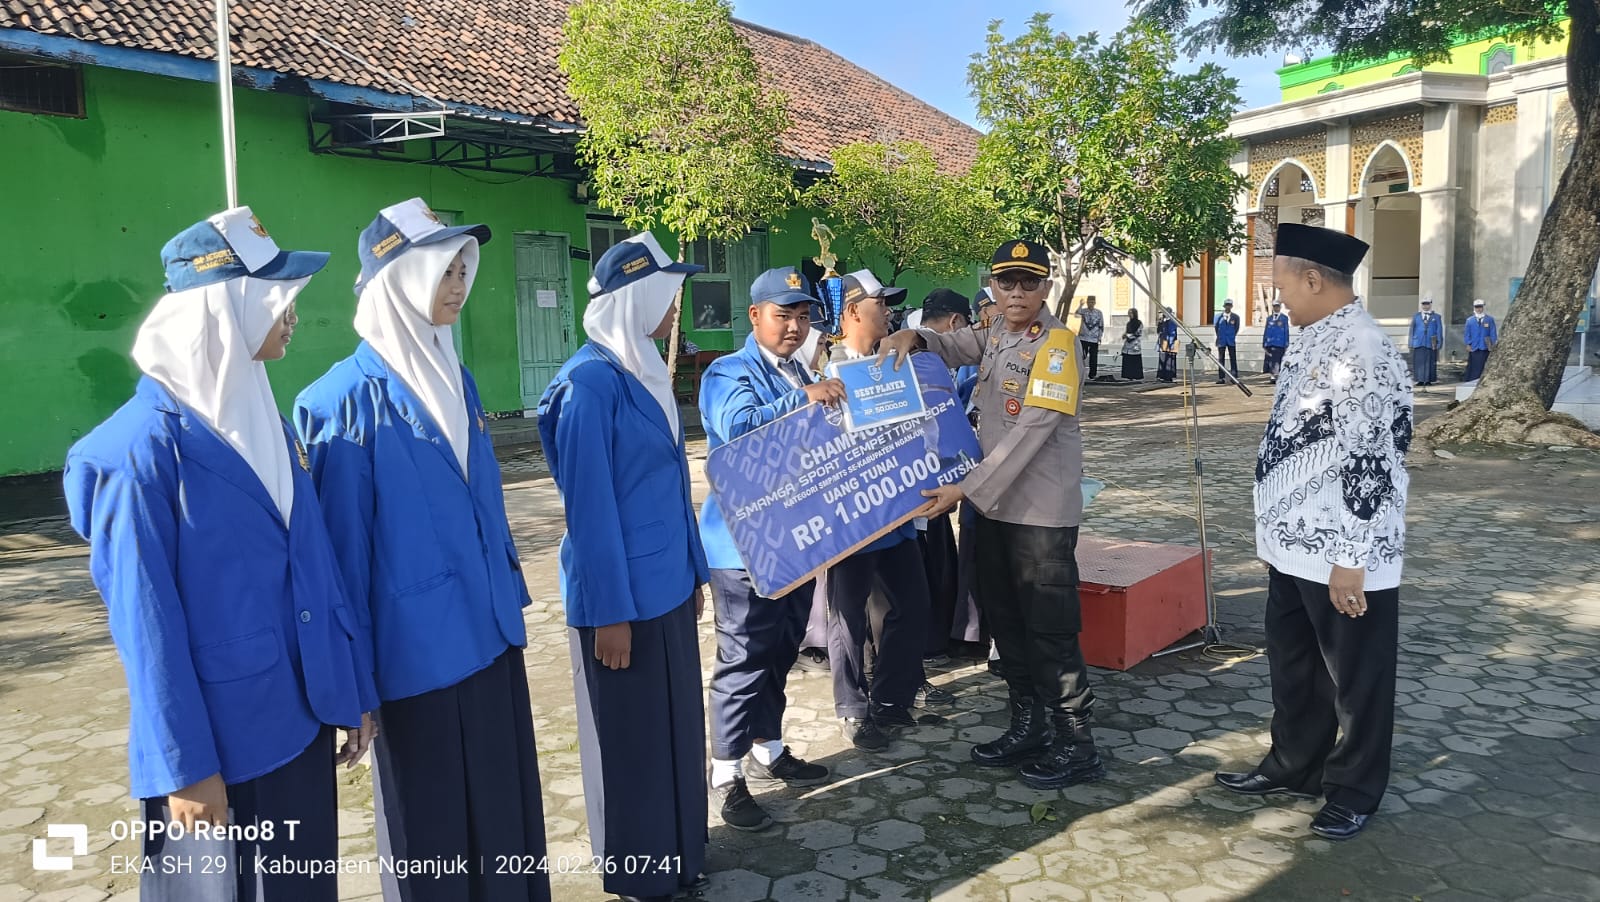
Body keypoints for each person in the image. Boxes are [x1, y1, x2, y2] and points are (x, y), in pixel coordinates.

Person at [64, 207, 377, 901]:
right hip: (219, 752)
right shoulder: (137, 454)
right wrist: (183, 769)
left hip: (300, 722)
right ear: (225, 308)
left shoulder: (265, 421)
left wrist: (352, 688)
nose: (292, 316)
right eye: (278, 300)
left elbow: (316, 566)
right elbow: (147, 630)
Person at [295, 198, 549, 901]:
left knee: (505, 813)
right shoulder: (340, 402)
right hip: (414, 657)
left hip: (492, 634)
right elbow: (343, 561)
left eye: (464, 270)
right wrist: (355, 685)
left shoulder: (457, 377)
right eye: (444, 271)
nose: (459, 286)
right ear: (398, 280)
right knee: (433, 834)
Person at [878, 239, 1105, 790]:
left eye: (1029, 282)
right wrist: (916, 336)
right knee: (1006, 622)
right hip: (996, 510)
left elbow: (1031, 432)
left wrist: (964, 488)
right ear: (994, 287)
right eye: (1007, 282)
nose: (1017, 292)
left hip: (1040, 517)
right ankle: (1029, 725)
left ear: (1046, 287)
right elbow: (955, 343)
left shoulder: (1057, 347)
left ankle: (1076, 743)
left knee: (1049, 630)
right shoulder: (998, 331)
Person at [1216, 222, 1411, 842]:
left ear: (1312, 278)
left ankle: (1353, 789)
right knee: (1296, 668)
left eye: (1281, 287)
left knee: (1356, 679)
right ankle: (1294, 764)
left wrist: (1352, 556)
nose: (1279, 300)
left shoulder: (1364, 347)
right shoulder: (1311, 339)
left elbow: (1374, 458)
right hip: (1293, 546)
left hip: (1344, 554)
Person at [536, 232, 710, 902]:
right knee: (632, 742)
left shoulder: (645, 369)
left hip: (667, 586)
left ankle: (682, 854)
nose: (673, 310)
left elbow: (672, 483)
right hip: (623, 600)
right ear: (636, 297)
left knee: (673, 729)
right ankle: (643, 874)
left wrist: (694, 572)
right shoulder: (587, 385)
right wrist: (610, 613)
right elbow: (590, 509)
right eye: (667, 295)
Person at [699, 266, 844, 830]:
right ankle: (725, 775)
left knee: (781, 651)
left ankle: (768, 748)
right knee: (743, 659)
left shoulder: (796, 369)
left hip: (794, 542)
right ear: (755, 315)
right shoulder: (727, 372)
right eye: (784, 316)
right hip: (742, 549)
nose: (794, 327)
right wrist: (806, 397)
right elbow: (739, 430)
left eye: (803, 317)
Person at [819, 269, 933, 750]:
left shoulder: (893, 366)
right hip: (853, 518)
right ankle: (852, 708)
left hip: (897, 514)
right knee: (848, 618)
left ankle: (890, 698)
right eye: (880, 304)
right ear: (851, 312)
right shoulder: (828, 373)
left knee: (913, 605)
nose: (889, 312)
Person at [1408, 297, 1444, 386]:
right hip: (1418, 341)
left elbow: (1439, 330)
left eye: (1427, 304)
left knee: (1430, 361)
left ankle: (1428, 380)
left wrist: (1439, 342)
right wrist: (1411, 342)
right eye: (1424, 304)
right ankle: (1419, 379)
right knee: (1419, 361)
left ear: (1430, 305)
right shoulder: (1416, 316)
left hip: (1431, 341)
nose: (1425, 306)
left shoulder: (1436, 317)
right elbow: (1412, 329)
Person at [1464, 298, 1497, 381]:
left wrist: (1493, 343)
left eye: (1480, 307)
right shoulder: (1470, 320)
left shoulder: (1489, 319)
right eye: (1477, 307)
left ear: (1483, 307)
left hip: (1485, 346)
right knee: (1474, 365)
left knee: (1483, 364)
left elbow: (1493, 332)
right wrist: (1468, 343)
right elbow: (1467, 333)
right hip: (1474, 346)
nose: (1478, 309)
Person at [1076, 296, 1104, 380]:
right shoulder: (1084, 311)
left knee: (1093, 357)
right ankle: (1079, 373)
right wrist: (1080, 305)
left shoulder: (1098, 312)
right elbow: (1077, 313)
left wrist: (1100, 336)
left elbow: (1101, 325)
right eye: (1089, 302)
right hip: (1083, 337)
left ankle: (1092, 374)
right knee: (1081, 356)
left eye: (1092, 302)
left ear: (1094, 303)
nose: (1090, 304)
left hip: (1094, 338)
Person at [1263, 300, 1291, 382]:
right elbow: (1266, 330)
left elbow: (1286, 331)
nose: (1276, 308)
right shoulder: (1269, 318)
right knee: (1271, 360)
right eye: (1275, 306)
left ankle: (1277, 376)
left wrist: (1286, 343)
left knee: (1278, 360)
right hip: (1270, 342)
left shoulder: (1284, 318)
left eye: (1277, 306)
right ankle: (1272, 376)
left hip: (1279, 342)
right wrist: (1264, 342)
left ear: (1280, 307)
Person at [1214, 300, 1241, 383]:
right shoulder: (1218, 316)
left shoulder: (1235, 317)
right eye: (1226, 305)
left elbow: (1236, 328)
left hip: (1231, 340)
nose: (1228, 307)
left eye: (1229, 305)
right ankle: (1221, 378)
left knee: (1233, 358)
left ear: (1231, 306)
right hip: (1221, 340)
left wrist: (1232, 335)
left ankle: (1234, 377)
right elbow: (1216, 327)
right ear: (1224, 306)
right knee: (1221, 359)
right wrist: (1219, 336)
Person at [1156, 309, 1179, 383]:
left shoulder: (1172, 321)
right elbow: (1159, 331)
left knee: (1169, 360)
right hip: (1163, 342)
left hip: (1169, 343)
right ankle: (1161, 375)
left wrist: (1170, 344)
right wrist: (1160, 323)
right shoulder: (1163, 321)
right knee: (1162, 359)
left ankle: (1168, 377)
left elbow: (1172, 333)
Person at [1120, 307, 1144, 380]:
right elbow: (1127, 331)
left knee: (1134, 360)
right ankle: (1128, 375)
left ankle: (1136, 375)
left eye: (1131, 313)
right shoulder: (1128, 323)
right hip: (1128, 344)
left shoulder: (1139, 323)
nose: (1130, 314)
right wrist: (1124, 335)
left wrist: (1128, 336)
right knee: (1128, 359)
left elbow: (1138, 333)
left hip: (1135, 343)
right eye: (1129, 313)